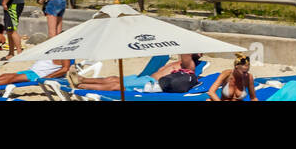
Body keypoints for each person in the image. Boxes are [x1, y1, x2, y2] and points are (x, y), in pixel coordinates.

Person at [67, 53, 202, 93]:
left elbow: (185, 53)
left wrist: (195, 49)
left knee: (116, 85)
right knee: (114, 78)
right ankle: (82, 79)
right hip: (144, 78)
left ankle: (81, 86)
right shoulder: (179, 62)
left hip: (150, 84)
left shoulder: (189, 65)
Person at [0, 58, 69, 89]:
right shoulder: (55, 51)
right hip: (31, 71)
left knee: (12, 79)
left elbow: (65, 69)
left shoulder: (65, 55)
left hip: (38, 75)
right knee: (5, 75)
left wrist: (48, 77)